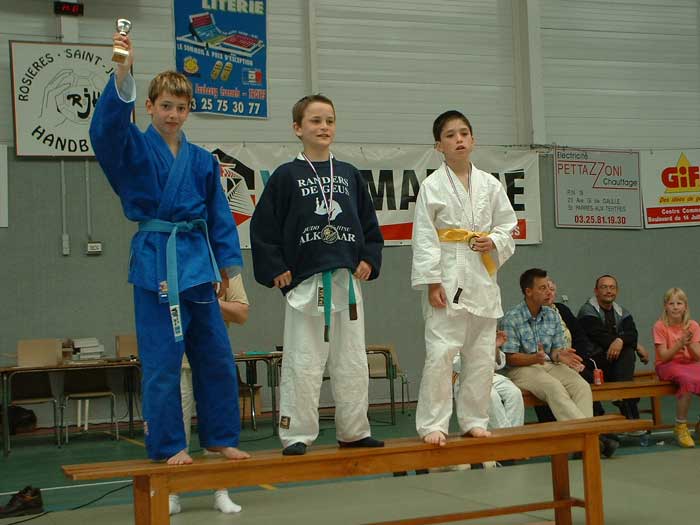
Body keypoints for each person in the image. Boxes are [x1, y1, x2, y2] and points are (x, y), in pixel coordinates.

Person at [90, 32, 249, 464]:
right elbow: (105, 132)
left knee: (215, 356)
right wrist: (122, 74)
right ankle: (168, 445)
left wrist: (229, 269)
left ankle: (219, 436)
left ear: (189, 110)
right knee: (162, 362)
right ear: (149, 106)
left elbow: (218, 215)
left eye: (180, 107)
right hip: (157, 260)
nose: (173, 114)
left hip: (197, 262)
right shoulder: (134, 147)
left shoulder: (202, 160)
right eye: (165, 106)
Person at [250, 94, 384, 456]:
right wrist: (275, 267)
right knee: (303, 360)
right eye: (315, 121)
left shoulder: (349, 174)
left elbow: (369, 226)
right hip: (306, 283)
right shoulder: (285, 176)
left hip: (346, 282)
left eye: (329, 120)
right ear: (297, 128)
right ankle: (296, 433)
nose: (324, 127)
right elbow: (263, 228)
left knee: (352, 360)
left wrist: (369, 258)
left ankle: (354, 431)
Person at [412, 110, 517, 446]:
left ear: (473, 140)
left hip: (482, 278)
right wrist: (431, 282)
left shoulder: (490, 184)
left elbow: (508, 225)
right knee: (441, 355)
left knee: (482, 356)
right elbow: (424, 237)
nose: (458, 139)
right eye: (450, 135)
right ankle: (433, 424)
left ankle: (474, 420)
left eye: (464, 133)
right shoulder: (432, 186)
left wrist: (495, 240)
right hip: (447, 277)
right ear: (438, 146)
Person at [169, 274, 250, 515]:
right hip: (177, 363)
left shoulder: (226, 269)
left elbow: (241, 313)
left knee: (217, 429)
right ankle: (171, 493)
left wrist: (205, 302)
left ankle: (220, 493)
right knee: (176, 432)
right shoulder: (173, 265)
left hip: (211, 362)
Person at [578, 275, 647, 419]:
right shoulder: (587, 311)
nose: (608, 291)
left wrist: (622, 341)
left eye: (612, 287)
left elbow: (632, 333)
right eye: (604, 287)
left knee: (627, 352)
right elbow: (600, 337)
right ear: (596, 291)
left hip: (615, 362)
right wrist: (632, 344)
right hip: (592, 363)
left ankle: (626, 404)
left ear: (617, 291)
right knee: (627, 351)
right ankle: (623, 408)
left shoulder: (622, 312)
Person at [652, 288, 700, 448]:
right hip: (667, 365)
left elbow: (697, 357)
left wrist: (690, 344)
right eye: (671, 303)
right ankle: (681, 426)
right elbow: (664, 356)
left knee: (692, 375)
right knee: (686, 380)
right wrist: (680, 344)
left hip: (689, 364)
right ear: (665, 306)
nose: (675, 307)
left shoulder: (693, 325)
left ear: (685, 306)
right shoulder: (659, 326)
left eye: (679, 303)